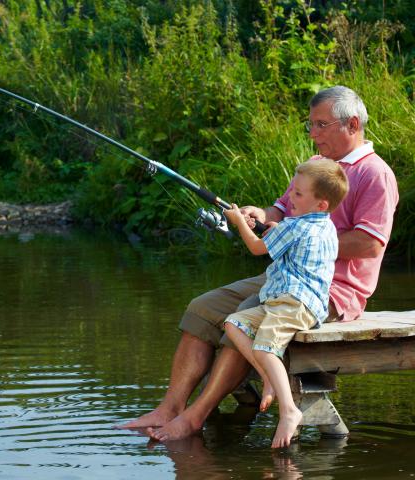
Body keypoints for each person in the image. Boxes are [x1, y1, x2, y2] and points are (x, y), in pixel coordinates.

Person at [118, 85, 399, 443]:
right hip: (281, 279)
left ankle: (194, 417)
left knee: (249, 319)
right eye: (309, 125)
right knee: (202, 308)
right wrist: (258, 214)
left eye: (321, 124)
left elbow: (371, 244)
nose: (312, 134)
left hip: (331, 292)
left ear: (352, 124)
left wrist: (300, 241)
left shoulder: (376, 175)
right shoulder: (315, 166)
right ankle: (169, 408)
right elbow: (282, 210)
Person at [222, 159, 349, 448]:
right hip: (302, 305)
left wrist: (240, 222)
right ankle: (270, 377)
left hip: (292, 303)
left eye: (299, 194)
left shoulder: (293, 227)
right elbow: (296, 243)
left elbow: (256, 248)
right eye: (293, 191)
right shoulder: (326, 227)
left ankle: (289, 410)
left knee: (264, 347)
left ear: (321, 203)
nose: (290, 197)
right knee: (234, 323)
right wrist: (278, 229)